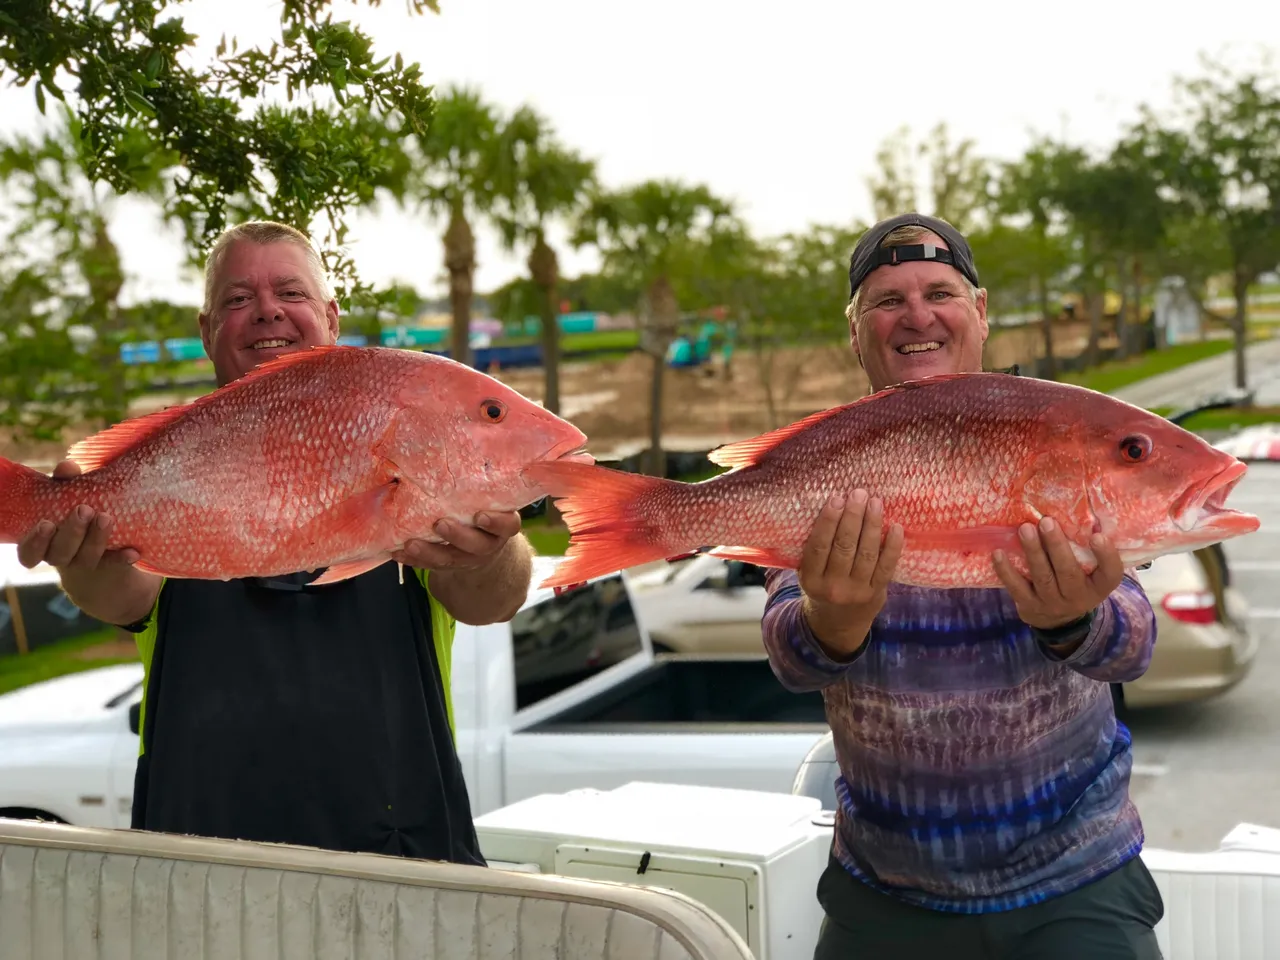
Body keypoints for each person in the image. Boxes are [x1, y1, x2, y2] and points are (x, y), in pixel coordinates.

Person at [15, 220, 535, 865]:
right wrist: (76, 550)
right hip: (202, 858)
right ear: (207, 332)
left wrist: (491, 549)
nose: (266, 311)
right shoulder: (175, 456)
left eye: (290, 292)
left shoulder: (412, 443)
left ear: (330, 316)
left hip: (397, 856)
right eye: (237, 300)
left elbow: (494, 599)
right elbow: (121, 594)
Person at [762, 213, 1165, 959]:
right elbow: (790, 658)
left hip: (1076, 886)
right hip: (882, 895)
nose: (917, 316)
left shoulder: (1054, 430)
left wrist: (1076, 622)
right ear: (856, 332)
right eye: (887, 301)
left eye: (940, 291)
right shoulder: (829, 452)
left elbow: (1135, 643)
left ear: (980, 313)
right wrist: (833, 619)